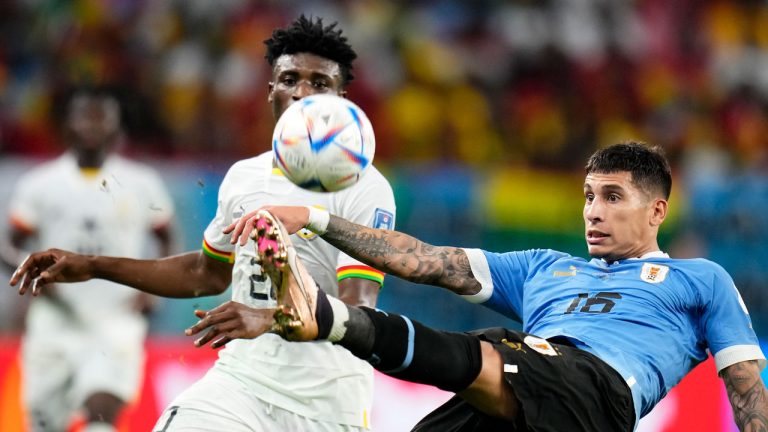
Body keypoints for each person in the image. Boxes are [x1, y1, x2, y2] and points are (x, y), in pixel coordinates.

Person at [209, 141, 768, 431]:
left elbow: (745, 387)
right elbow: (424, 260)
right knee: (484, 368)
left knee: (493, 346)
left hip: (597, 397)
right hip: (527, 395)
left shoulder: (699, 279)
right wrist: (314, 217)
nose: (593, 211)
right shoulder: (544, 268)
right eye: (589, 195)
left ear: (658, 210)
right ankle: (327, 319)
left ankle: (324, 318)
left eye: (613, 197)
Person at [9, 15, 396, 432]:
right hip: (241, 384)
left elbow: (358, 312)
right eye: (289, 78)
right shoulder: (245, 177)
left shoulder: (367, 188)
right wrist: (92, 266)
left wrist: (267, 319)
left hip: (325, 403)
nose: (302, 93)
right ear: (270, 92)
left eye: (319, 83)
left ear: (342, 98)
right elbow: (207, 273)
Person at [1, 86, 175, 432]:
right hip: (55, 318)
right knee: (44, 421)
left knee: (101, 415)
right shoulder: (40, 184)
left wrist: (152, 290)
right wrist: (31, 275)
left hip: (115, 318)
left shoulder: (141, 183)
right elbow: (8, 245)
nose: (93, 125)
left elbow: (166, 236)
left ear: (116, 127)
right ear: (68, 125)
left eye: (102, 117)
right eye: (85, 116)